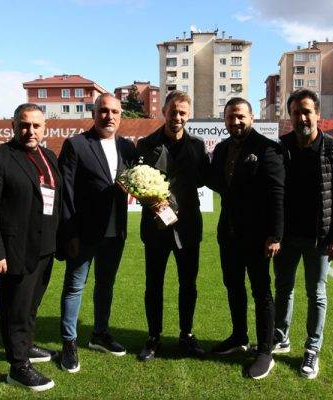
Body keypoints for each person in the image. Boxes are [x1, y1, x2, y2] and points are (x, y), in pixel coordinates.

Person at [0, 103, 61, 391]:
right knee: (15, 307)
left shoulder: (48, 156)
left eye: (36, 125)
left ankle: (26, 345)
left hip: (44, 247)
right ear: (13, 126)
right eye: (24, 125)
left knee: (30, 306)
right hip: (13, 250)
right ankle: (18, 366)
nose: (30, 131)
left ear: (44, 127)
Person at [273, 88, 333, 379]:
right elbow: (273, 194)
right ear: (290, 117)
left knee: (316, 293)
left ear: (318, 114)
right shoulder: (280, 148)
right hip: (285, 237)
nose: (302, 117)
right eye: (296, 112)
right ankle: (280, 336)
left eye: (307, 111)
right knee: (283, 288)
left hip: (320, 239)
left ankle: (312, 348)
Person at [56, 93, 137, 373]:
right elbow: (64, 193)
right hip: (83, 232)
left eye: (115, 111)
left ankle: (100, 334)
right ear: (94, 113)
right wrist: (70, 233)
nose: (109, 116)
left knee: (106, 285)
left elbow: (136, 182)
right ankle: (69, 342)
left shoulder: (127, 147)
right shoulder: (76, 145)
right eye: (103, 110)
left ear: (121, 115)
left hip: (116, 232)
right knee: (75, 286)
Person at [209, 97, 285, 379]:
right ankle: (239, 336)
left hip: (257, 237)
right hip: (228, 234)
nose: (235, 122)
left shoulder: (268, 149)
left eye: (240, 116)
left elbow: (278, 195)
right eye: (230, 117)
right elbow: (215, 181)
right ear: (225, 120)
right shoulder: (221, 148)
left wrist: (275, 235)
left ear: (252, 118)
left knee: (261, 291)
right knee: (233, 286)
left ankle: (265, 350)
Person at [136, 90, 210, 361]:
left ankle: (186, 336)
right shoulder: (145, 144)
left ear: (188, 115)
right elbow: (137, 183)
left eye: (182, 113)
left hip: (188, 229)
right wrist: (151, 203)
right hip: (156, 228)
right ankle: (153, 337)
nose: (177, 117)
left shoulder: (198, 146)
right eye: (173, 111)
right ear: (163, 112)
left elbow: (205, 179)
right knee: (153, 285)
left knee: (188, 285)